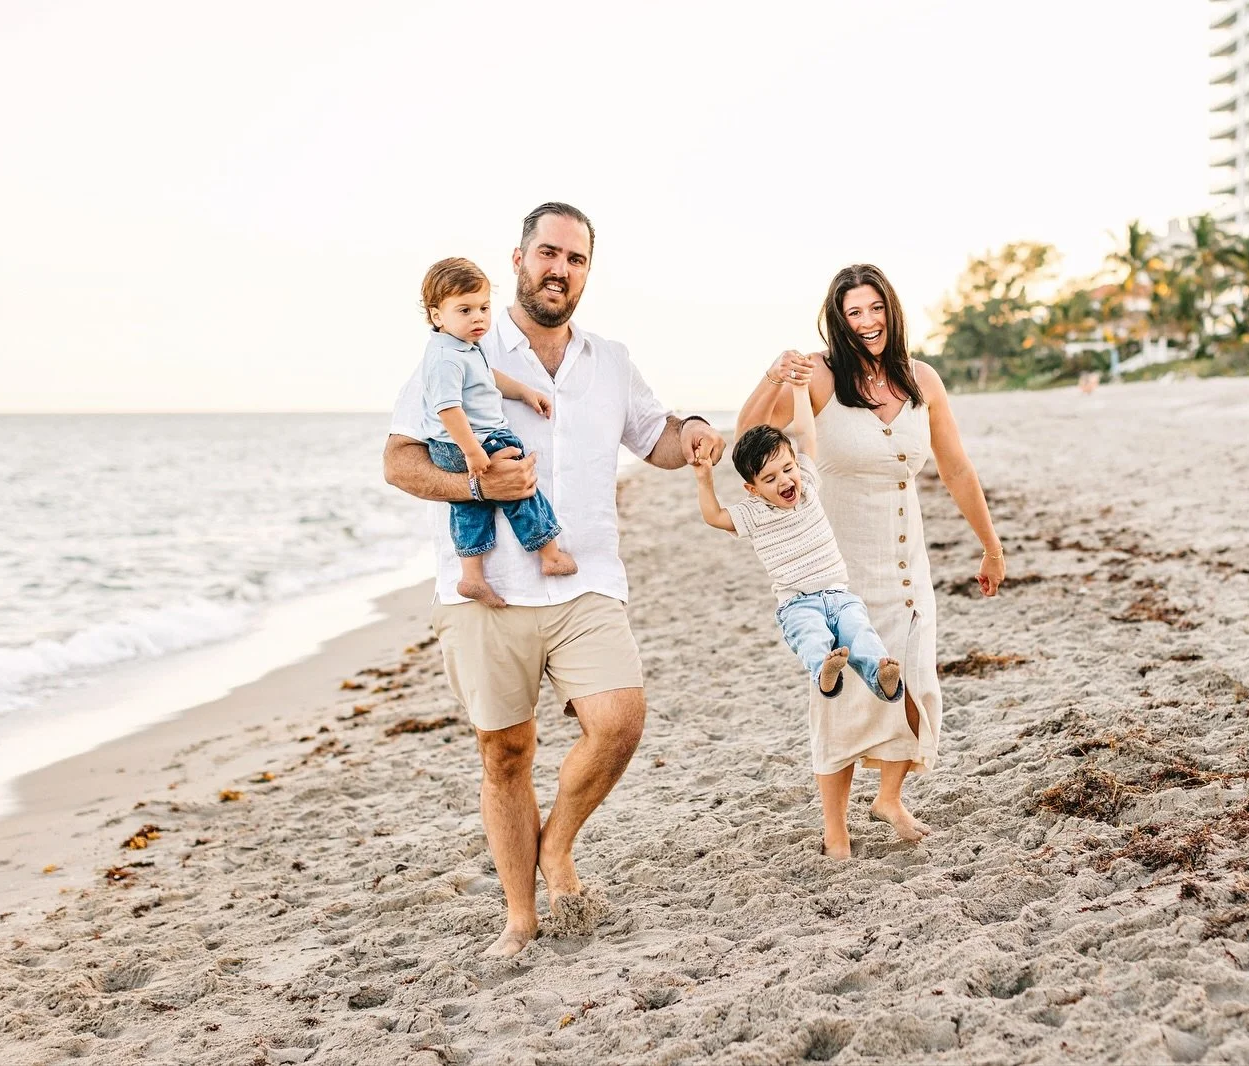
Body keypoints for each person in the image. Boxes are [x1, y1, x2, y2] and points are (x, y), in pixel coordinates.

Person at [383, 202, 726, 956]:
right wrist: (479, 489)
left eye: (574, 259)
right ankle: (520, 914)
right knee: (505, 755)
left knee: (619, 723)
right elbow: (399, 460)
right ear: (518, 258)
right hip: (489, 591)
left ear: (586, 271)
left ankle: (558, 846)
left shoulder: (609, 359)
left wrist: (694, 429)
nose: (558, 269)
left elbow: (658, 439)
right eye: (547, 253)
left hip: (587, 581)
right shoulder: (460, 342)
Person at [736, 264, 1004, 860]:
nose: (867, 322)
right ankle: (835, 826)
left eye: (875, 308)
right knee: (842, 691)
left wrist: (990, 544)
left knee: (913, 678)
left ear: (892, 309)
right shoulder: (820, 375)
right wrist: (770, 375)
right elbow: (750, 434)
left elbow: (956, 468)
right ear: (839, 319)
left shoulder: (920, 379)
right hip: (839, 566)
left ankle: (889, 797)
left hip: (908, 561)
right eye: (854, 312)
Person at [693, 381, 903, 704]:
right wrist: (704, 480)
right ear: (753, 489)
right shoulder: (753, 512)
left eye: (787, 469)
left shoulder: (806, 484)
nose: (785, 480)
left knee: (860, 634)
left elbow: (806, 434)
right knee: (812, 637)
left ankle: (882, 676)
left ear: (796, 464)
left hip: (839, 594)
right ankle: (825, 672)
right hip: (798, 603)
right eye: (770, 479)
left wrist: (801, 389)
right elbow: (714, 516)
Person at [413, 257, 577, 607]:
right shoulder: (445, 358)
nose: (478, 318)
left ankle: (472, 577)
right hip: (474, 440)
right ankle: (549, 553)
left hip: (453, 446)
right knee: (519, 485)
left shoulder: (463, 348)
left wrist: (524, 392)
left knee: (470, 505)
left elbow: (490, 379)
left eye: (484, 308)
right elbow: (448, 408)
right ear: (437, 315)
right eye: (465, 310)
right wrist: (473, 451)